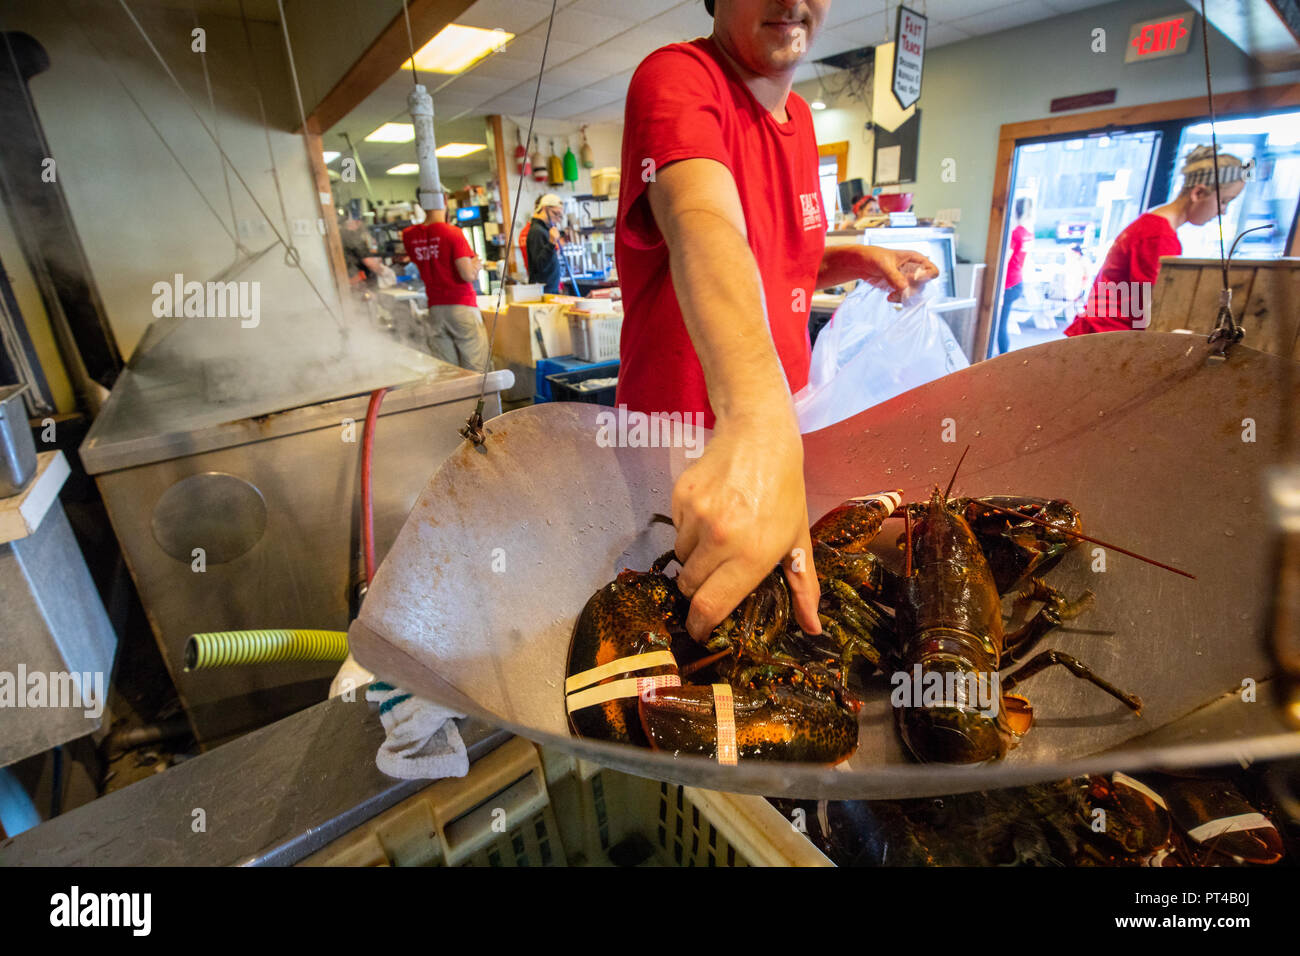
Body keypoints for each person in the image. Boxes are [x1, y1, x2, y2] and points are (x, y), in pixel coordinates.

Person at [615, 0, 939, 642]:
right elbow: (704, 226)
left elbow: (766, 256)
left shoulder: (801, 121)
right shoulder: (677, 77)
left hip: (777, 440)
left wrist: (847, 260)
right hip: (683, 448)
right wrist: (760, 426)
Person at [1065, 145, 1250, 336]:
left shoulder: (1152, 222)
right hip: (1110, 337)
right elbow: (1158, 302)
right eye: (1224, 201)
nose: (1223, 211)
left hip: (1106, 332)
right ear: (1198, 193)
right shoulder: (1157, 235)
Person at [401, 199, 491, 371]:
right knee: (476, 370)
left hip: (435, 309)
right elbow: (467, 274)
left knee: (449, 371)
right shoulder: (453, 233)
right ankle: (476, 400)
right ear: (443, 201)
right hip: (461, 307)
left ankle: (457, 399)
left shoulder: (409, 235)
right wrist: (476, 264)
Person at [994, 197, 1034, 355]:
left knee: (1000, 324)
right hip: (1018, 280)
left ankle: (1003, 356)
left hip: (1008, 283)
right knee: (1003, 322)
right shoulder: (1028, 234)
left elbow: (1005, 261)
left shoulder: (1016, 233)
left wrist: (999, 287)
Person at [526, 194, 565, 294]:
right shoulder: (537, 231)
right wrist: (551, 243)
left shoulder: (544, 230)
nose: (557, 219)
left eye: (560, 216)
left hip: (549, 290)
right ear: (544, 208)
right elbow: (540, 265)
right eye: (555, 214)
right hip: (543, 292)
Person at [340, 215, 394, 287]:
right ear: (357, 222)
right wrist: (384, 271)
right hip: (359, 283)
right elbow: (369, 262)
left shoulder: (340, 235)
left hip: (346, 281)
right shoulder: (353, 237)